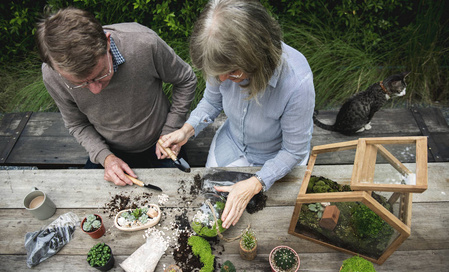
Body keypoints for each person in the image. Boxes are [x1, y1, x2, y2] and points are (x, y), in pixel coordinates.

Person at [160, 0, 315, 229]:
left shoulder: (297, 83)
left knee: (265, 224)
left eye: (232, 72)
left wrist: (257, 182)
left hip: (276, 160)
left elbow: (294, 150)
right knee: (210, 211)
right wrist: (187, 130)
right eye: (218, 73)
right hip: (230, 145)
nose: (222, 80)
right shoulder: (219, 60)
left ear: (257, 56)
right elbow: (212, 102)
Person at [35, 7, 197, 186]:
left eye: (101, 74)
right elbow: (76, 123)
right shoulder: (52, 74)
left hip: (163, 142)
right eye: (80, 83)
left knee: (182, 193)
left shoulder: (143, 44)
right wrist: (105, 157)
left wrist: (170, 129)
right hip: (109, 149)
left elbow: (186, 80)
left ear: (107, 42)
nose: (95, 90)